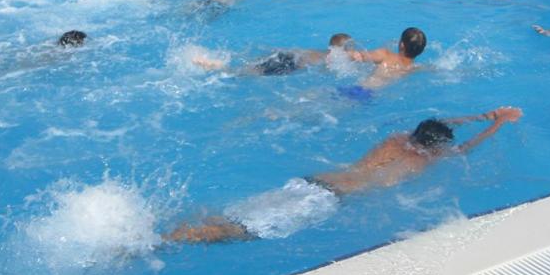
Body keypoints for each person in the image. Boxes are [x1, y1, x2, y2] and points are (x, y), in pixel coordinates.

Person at [166, 106, 522, 243]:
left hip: (312, 180)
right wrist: (497, 124)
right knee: (243, 232)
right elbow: (464, 148)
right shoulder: (425, 160)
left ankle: (172, 228)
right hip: (326, 199)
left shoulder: (396, 139)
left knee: (235, 216)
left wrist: (482, 114)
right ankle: (167, 241)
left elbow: (436, 124)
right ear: (435, 146)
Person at [193, 32, 354, 75]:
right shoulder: (333, 57)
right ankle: (221, 68)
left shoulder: (319, 51)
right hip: (290, 63)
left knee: (250, 65)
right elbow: (327, 70)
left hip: (285, 54)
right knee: (244, 73)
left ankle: (216, 63)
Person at [350, 27, 428, 89]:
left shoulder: (385, 55)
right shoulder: (414, 68)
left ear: (402, 45)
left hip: (359, 90)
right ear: (422, 51)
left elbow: (357, 56)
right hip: (371, 95)